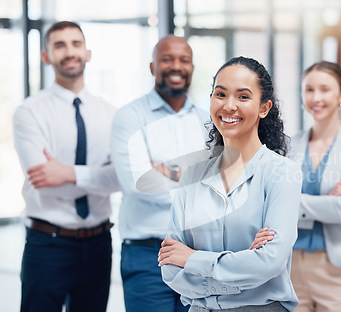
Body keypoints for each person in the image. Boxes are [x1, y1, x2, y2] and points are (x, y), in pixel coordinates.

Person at [157, 56, 302, 312]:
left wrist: (192, 258)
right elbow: (170, 267)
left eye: (243, 97)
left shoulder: (282, 173)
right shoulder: (193, 176)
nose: (229, 106)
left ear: (264, 108)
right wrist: (243, 264)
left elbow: (270, 262)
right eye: (220, 94)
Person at [13, 21, 119, 312]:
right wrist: (100, 176)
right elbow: (43, 177)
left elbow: (122, 177)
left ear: (88, 53)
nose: (69, 52)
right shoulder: (29, 112)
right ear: (46, 56)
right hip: (48, 243)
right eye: (59, 45)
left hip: (99, 243)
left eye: (75, 44)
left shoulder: (111, 114)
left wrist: (68, 173)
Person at [111, 35, 209, 312]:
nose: (176, 66)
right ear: (152, 67)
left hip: (199, 253)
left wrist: (168, 172)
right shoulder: (130, 117)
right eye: (167, 59)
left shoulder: (207, 122)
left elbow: (224, 184)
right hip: (147, 256)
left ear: (191, 68)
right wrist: (195, 179)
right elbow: (139, 185)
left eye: (184, 60)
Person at [285, 61, 341, 312]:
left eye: (325, 89)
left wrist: (292, 200)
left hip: (339, 271)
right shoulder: (288, 145)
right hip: (289, 268)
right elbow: (268, 200)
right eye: (309, 90)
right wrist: (325, 202)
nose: (316, 97)